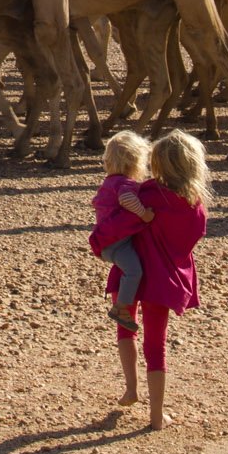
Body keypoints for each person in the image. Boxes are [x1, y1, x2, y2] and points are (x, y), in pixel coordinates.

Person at [98, 130, 210, 429]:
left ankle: (131, 388)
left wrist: (100, 242)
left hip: (129, 273)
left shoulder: (145, 195)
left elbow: (116, 223)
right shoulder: (195, 206)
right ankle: (157, 414)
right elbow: (188, 241)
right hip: (163, 280)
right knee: (156, 345)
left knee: (125, 329)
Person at [89, 131, 156, 333]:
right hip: (116, 242)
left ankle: (124, 307)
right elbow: (127, 200)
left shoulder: (109, 182)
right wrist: (144, 214)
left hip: (110, 240)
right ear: (135, 162)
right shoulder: (124, 184)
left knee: (130, 268)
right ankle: (121, 307)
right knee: (134, 270)